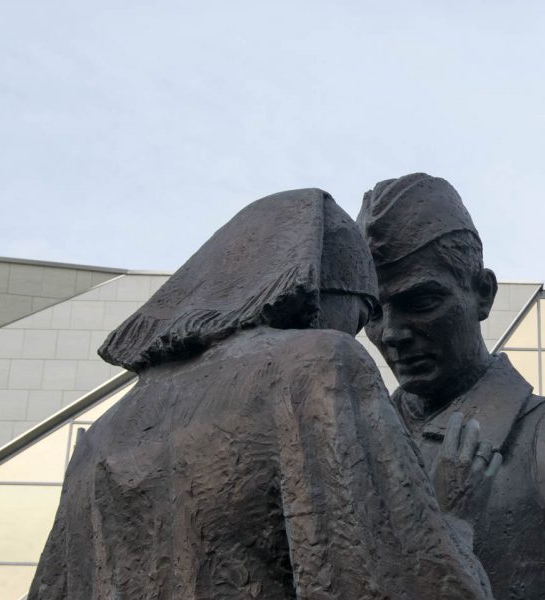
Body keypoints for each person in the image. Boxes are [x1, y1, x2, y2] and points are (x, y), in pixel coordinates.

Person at [29, 188, 497, 600]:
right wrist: (452, 520)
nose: (365, 338)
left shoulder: (99, 438)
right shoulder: (314, 365)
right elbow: (382, 581)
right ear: (313, 298)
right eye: (358, 319)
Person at [358, 173, 545, 600]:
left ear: (483, 294)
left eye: (422, 303)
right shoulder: (355, 446)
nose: (392, 333)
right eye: (374, 312)